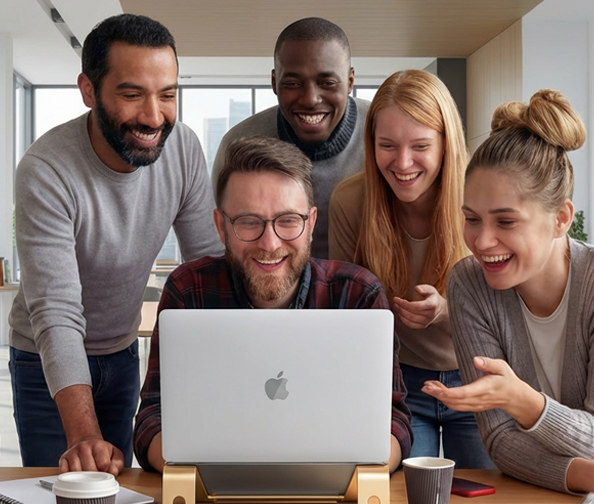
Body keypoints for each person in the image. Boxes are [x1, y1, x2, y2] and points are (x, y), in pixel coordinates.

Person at [423, 90, 594, 504]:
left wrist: (523, 401)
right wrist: (593, 476)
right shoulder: (469, 284)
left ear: (562, 218)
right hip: (536, 496)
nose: (481, 240)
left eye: (505, 221)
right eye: (471, 219)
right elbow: (500, 443)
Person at [7, 14, 224, 475]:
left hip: (123, 354)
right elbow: (58, 311)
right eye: (132, 95)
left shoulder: (182, 149)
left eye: (167, 95)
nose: (153, 116)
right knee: (64, 502)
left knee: (125, 498)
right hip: (44, 361)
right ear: (89, 91)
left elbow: (210, 267)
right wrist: (83, 433)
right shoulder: (46, 170)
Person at [132, 136, 412, 473]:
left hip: (337, 499)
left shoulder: (357, 295)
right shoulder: (188, 290)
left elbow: (393, 421)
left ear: (310, 224)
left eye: (288, 220)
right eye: (249, 222)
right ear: (221, 227)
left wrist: (358, 479)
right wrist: (205, 476)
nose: (270, 243)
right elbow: (151, 418)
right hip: (211, 500)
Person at [328, 70, 491, 469]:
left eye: (420, 146)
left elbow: (507, 314)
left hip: (478, 380)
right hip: (397, 384)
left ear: (445, 144)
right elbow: (347, 312)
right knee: (396, 503)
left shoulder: (480, 197)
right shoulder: (351, 201)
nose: (402, 163)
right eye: (387, 145)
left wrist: (446, 310)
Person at [211, 17, 367, 260]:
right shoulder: (238, 145)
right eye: (293, 83)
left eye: (327, 82)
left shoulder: (383, 134)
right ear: (274, 82)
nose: (310, 99)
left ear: (349, 81)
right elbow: (223, 246)